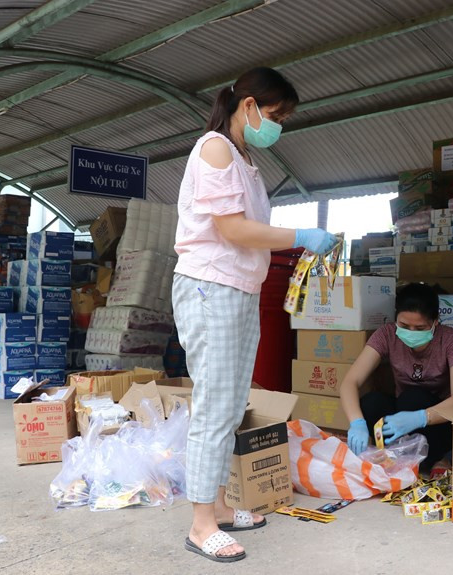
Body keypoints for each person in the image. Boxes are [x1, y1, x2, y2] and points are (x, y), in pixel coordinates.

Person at [172, 67, 338, 563]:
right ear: (248, 106)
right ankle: (202, 524)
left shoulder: (244, 159)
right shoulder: (216, 148)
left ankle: (219, 505)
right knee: (215, 405)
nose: (278, 125)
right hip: (211, 287)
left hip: (239, 290)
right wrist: (300, 235)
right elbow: (233, 230)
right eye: (275, 114)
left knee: (229, 403)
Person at [339, 282, 453, 474]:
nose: (411, 332)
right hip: (401, 417)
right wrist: (356, 423)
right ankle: (392, 457)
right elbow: (350, 382)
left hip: (438, 423)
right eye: (404, 325)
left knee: (413, 397)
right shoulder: (386, 335)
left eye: (420, 328)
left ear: (435, 322)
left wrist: (421, 417)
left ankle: (430, 459)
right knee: (371, 402)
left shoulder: (452, 340)